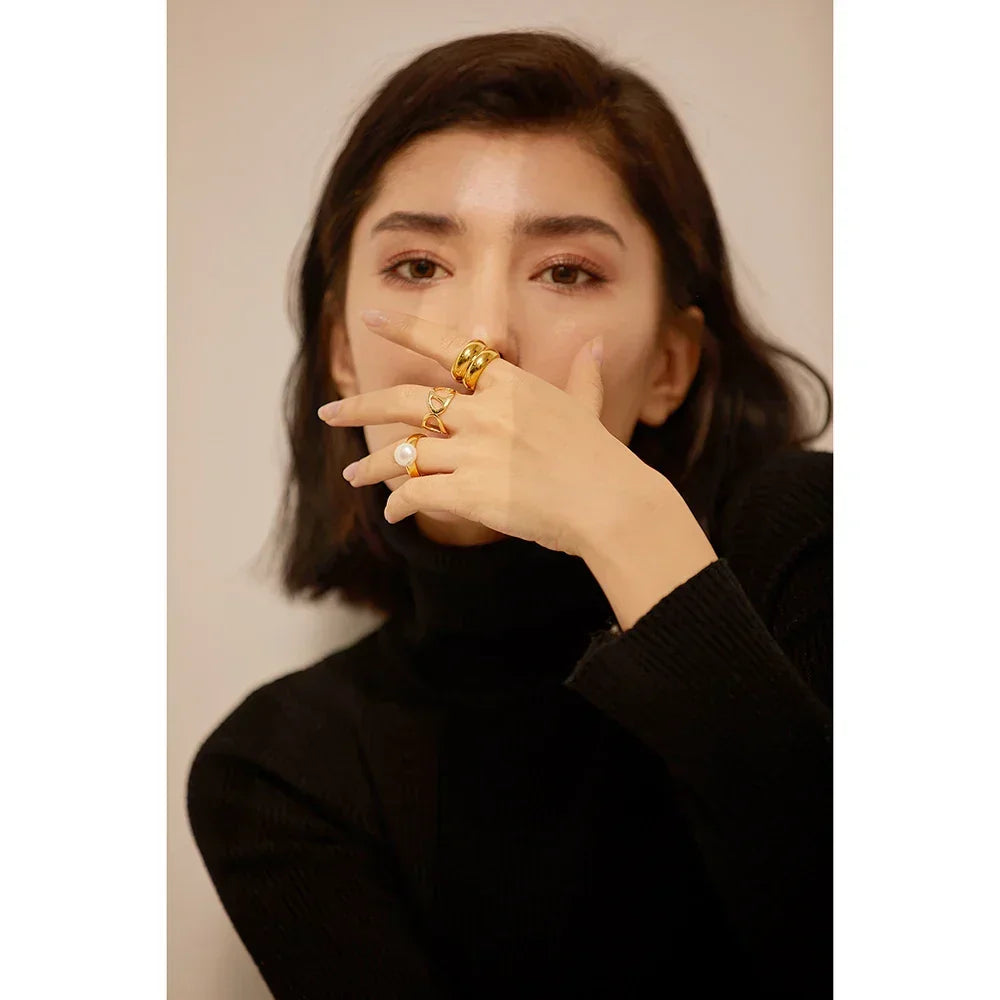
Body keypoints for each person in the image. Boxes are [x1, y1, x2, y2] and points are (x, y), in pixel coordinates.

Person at [186, 28, 832, 1000]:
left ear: (669, 364)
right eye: (416, 267)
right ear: (339, 351)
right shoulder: (278, 766)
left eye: (567, 271)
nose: (480, 336)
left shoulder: (807, 540)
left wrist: (624, 526)